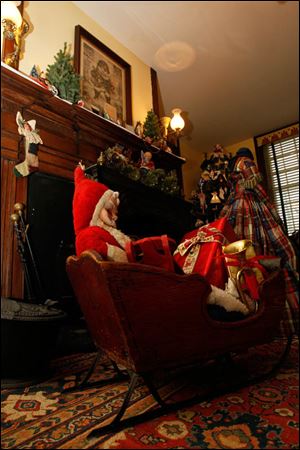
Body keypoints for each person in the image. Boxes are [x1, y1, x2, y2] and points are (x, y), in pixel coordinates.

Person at [219, 147, 299, 335]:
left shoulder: (233, 171)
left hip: (237, 210)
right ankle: (276, 322)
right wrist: (271, 210)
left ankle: (248, 324)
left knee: (239, 263)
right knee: (267, 257)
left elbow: (231, 197)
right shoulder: (246, 162)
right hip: (252, 208)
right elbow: (259, 190)